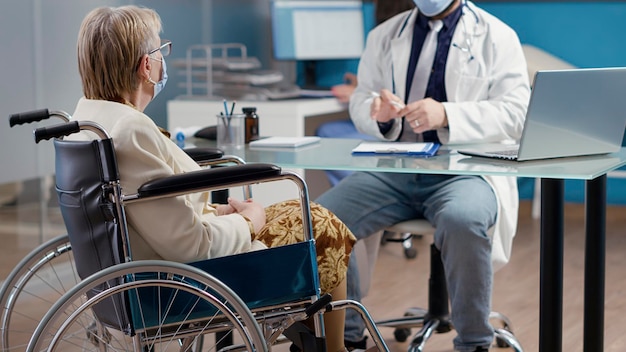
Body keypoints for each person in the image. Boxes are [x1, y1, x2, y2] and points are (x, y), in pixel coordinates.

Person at [70, 6, 356, 352]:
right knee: (322, 224)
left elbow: (153, 210)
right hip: (187, 280)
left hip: (152, 262)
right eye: (161, 52)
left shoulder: (89, 119)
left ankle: (310, 338)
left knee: (302, 212)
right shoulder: (131, 130)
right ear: (147, 66)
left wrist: (221, 213)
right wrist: (249, 222)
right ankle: (335, 347)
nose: (163, 61)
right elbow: (193, 247)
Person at [315, 0, 530, 351]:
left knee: (463, 219)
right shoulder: (385, 35)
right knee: (324, 219)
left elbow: (516, 113)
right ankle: (345, 337)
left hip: (465, 171)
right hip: (396, 168)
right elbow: (362, 99)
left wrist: (446, 114)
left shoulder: (497, 36)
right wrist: (379, 114)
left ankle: (474, 342)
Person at [318, 0, 416, 186]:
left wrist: (358, 92)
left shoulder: (405, 35)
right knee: (327, 130)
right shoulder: (383, 36)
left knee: (327, 137)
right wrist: (362, 88)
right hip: (390, 120)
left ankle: (365, 184)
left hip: (403, 127)